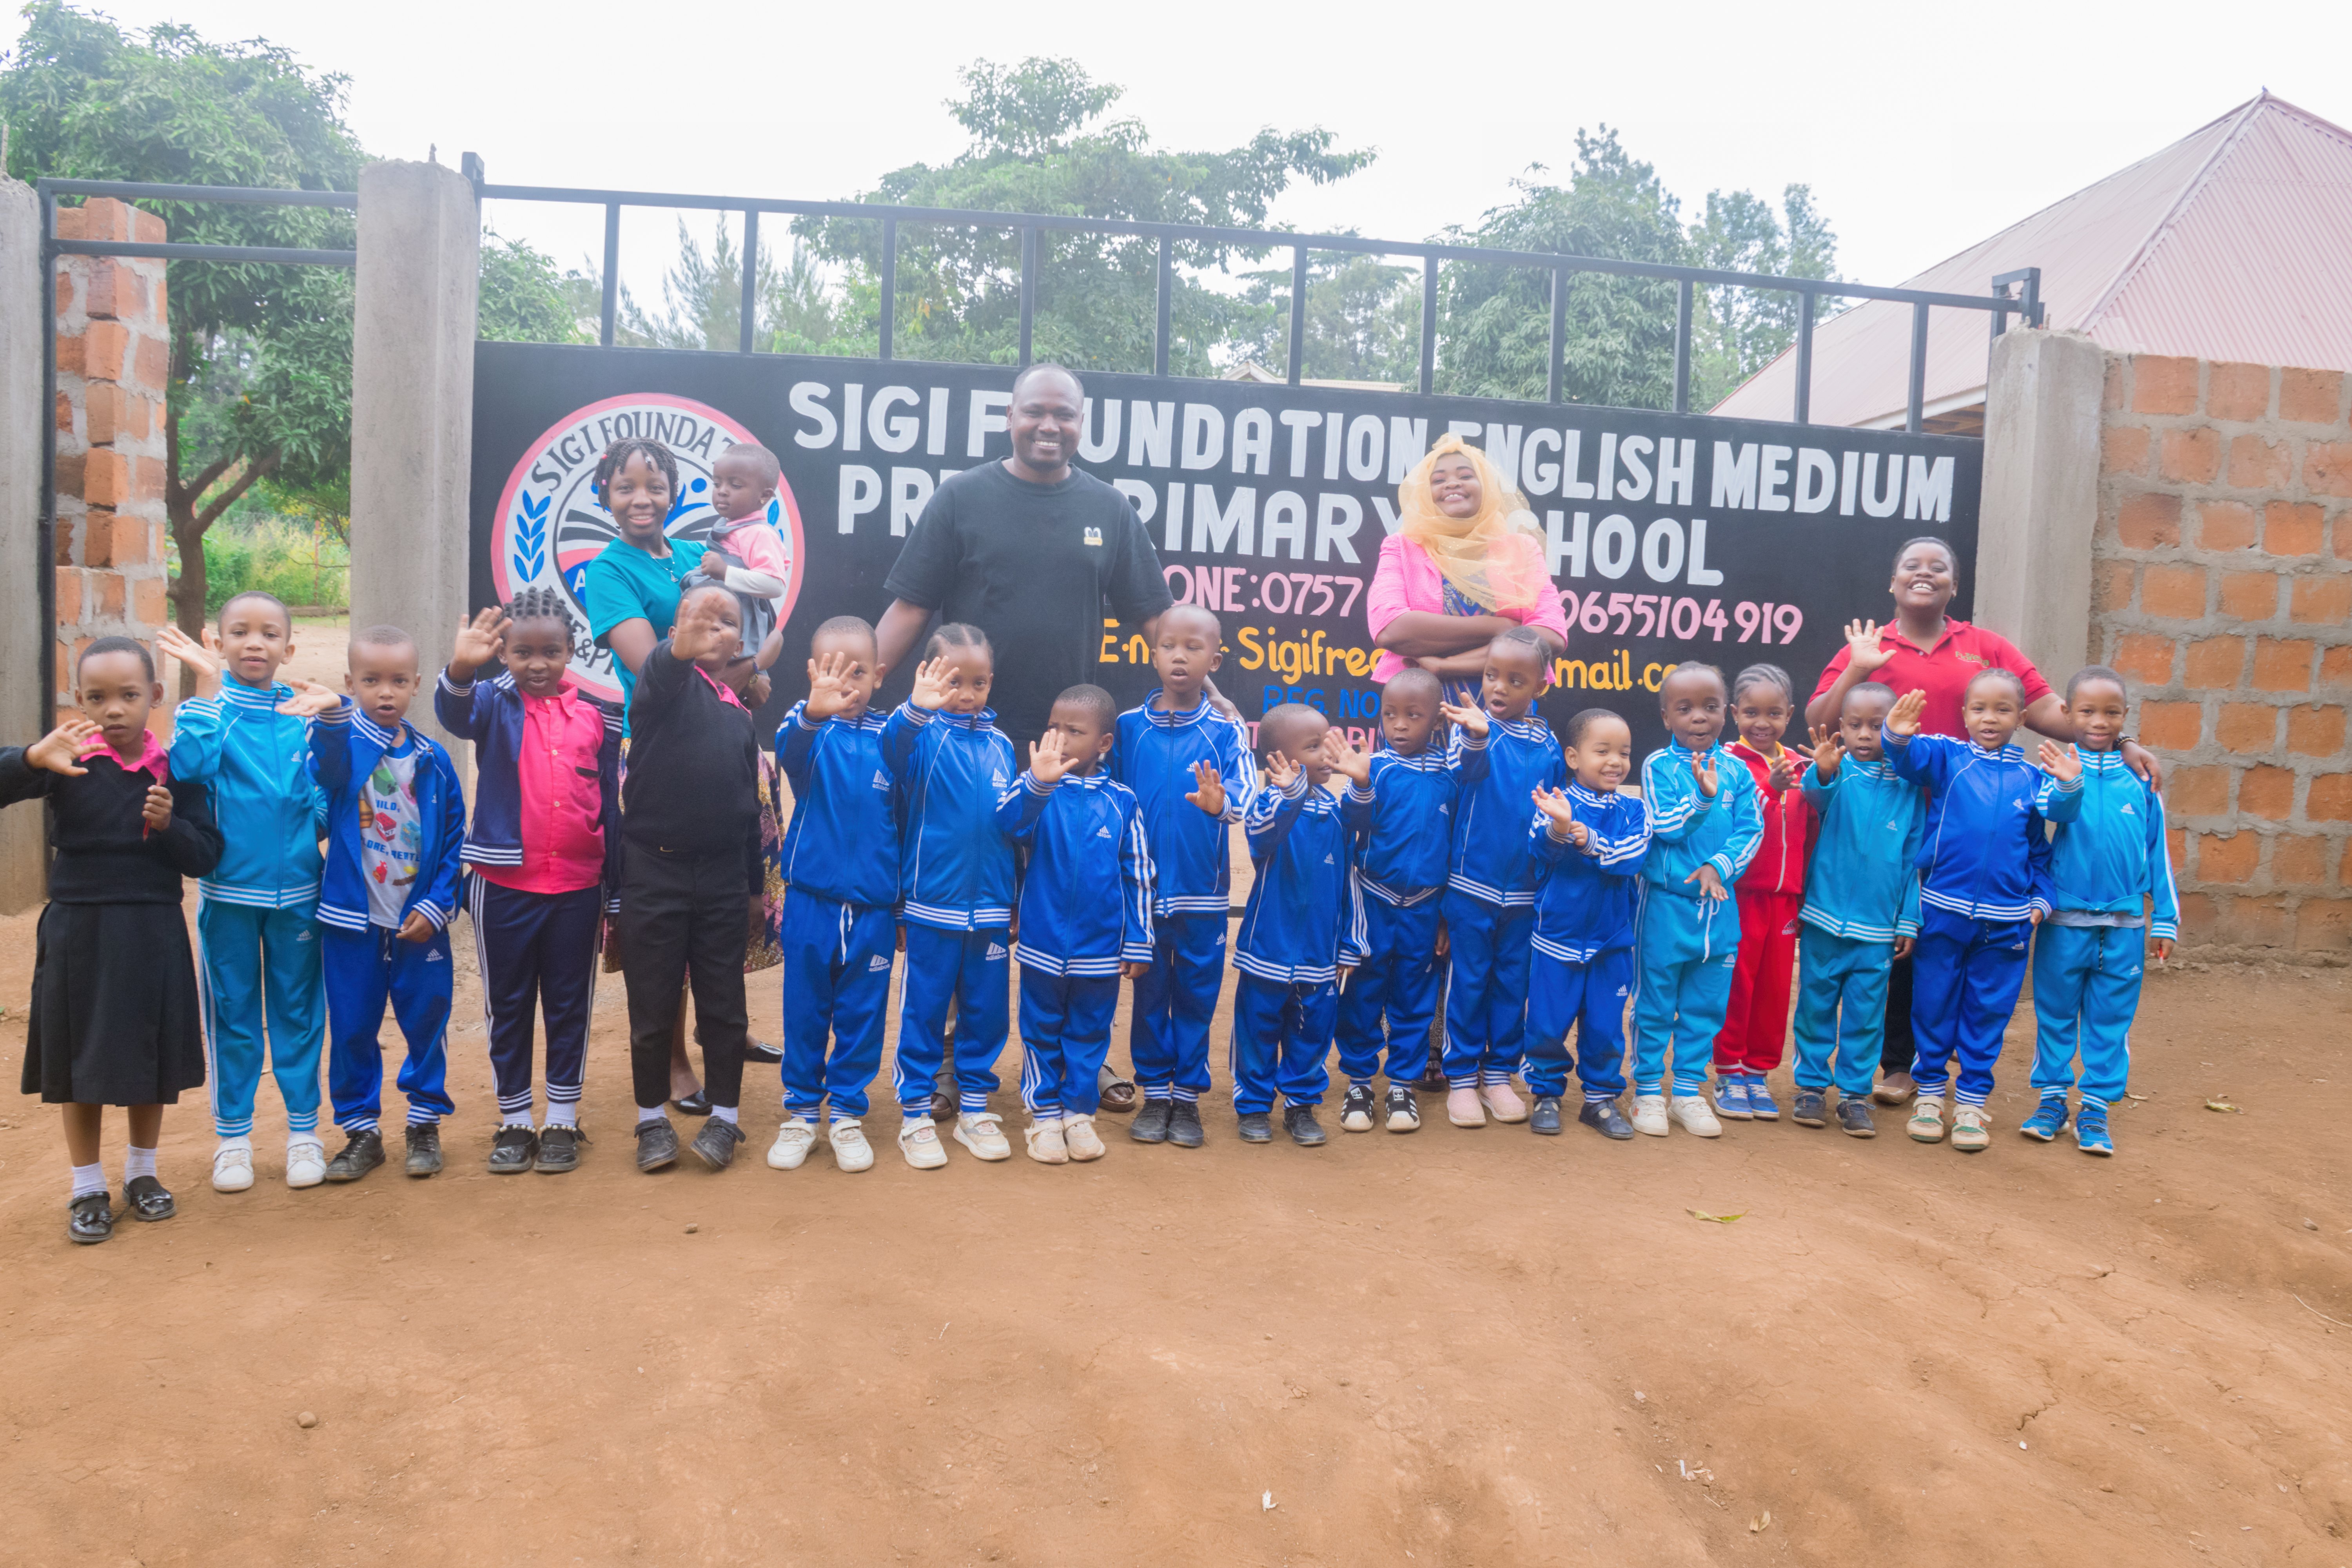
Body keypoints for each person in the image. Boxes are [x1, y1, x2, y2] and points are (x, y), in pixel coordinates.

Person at [1805, 535, 2160, 1107]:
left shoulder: (1985, 646)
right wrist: (1858, 668)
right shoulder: (1871, 645)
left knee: (1938, 947)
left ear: (1955, 583)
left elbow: (2049, 710)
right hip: (1890, 810)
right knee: (1900, 941)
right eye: (1911, 566)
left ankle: (1936, 1070)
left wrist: (2118, 742)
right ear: (1892, 582)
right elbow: (1821, 719)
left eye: (1938, 567)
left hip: (1976, 820)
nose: (1925, 573)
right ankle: (1900, 1064)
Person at [582, 437, 777, 1105]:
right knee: (663, 922)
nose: (642, 499)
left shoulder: (702, 558)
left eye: (656, 485)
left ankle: (725, 1031)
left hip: (727, 748)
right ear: (605, 495)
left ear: (674, 493)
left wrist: (753, 668)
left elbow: (741, 640)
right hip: (660, 757)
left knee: (727, 902)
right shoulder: (607, 572)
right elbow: (655, 665)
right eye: (626, 487)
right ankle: (669, 1060)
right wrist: (746, 667)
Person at [7, 639, 221, 1243]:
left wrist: (168, 825)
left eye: (129, 696)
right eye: (97, 697)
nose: (114, 710)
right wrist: (30, 757)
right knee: (81, 1062)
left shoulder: (178, 772)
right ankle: (86, 1187)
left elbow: (206, 855)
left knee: (144, 1054)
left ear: (155, 697)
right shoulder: (66, 760)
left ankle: (143, 1174)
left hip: (151, 929)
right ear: (79, 700)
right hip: (80, 930)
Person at [436, 592, 623, 1176]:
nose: (536, 663)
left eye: (550, 651)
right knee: (508, 1003)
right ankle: (516, 1119)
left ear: (572, 651)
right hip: (504, 887)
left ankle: (563, 1119)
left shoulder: (598, 716)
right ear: (505, 654)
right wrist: (464, 667)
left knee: (570, 1004)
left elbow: (610, 811)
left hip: (577, 888)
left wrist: (613, 890)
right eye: (521, 652)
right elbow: (453, 712)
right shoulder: (490, 702)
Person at [279, 628, 466, 1182]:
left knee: (427, 1020)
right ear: (350, 684)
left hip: (417, 924)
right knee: (354, 1025)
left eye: (398, 682)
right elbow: (328, 766)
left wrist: (437, 906)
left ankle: (425, 1123)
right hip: (352, 923)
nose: (385, 693)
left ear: (414, 685)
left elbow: (455, 837)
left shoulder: (433, 759)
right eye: (371, 681)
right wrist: (333, 716)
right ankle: (361, 1131)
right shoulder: (341, 743)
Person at [158, 595, 330, 1193]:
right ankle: (233, 1140)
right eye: (240, 632)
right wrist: (205, 688)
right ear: (217, 641)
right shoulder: (204, 711)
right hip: (228, 895)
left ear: (290, 646)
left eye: (268, 633)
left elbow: (329, 791)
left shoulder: (304, 713)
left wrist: (316, 818)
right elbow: (189, 769)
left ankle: (304, 1132)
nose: (254, 643)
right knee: (232, 1014)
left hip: (301, 897)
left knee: (299, 1013)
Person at [1880, 673, 2083, 1152]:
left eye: (2002, 710)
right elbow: (1908, 758)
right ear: (1965, 714)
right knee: (1932, 1003)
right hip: (1942, 914)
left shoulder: (2032, 778)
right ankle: (1929, 1094)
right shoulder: (1948, 757)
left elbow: (2047, 839)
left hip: (2007, 921)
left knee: (1988, 1010)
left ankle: (1971, 1100)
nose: (1989, 719)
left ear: (2022, 718)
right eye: (1979, 709)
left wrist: (2040, 900)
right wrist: (1897, 733)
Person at [619, 584, 762, 1174]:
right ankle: (651, 1119)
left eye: (728, 621)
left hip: (725, 878)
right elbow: (659, 670)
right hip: (655, 870)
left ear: (739, 643)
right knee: (652, 1004)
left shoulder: (739, 714)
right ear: (676, 631)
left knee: (725, 1006)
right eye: (702, 618)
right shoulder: (662, 691)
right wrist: (675, 648)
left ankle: (725, 1120)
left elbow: (749, 810)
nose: (715, 628)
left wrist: (754, 889)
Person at [1112, 605, 1257, 1147]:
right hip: (1145, 895)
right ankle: (1155, 1093)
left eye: (1194, 648)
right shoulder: (1128, 729)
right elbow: (1111, 801)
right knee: (1150, 994)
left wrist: (1221, 806)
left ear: (1214, 660)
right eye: (1169, 645)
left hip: (1202, 894)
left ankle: (1188, 1099)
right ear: (1153, 655)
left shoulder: (1225, 730)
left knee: (1197, 994)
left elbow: (1245, 798)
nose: (1180, 655)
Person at [996, 685, 1156, 1165]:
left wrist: (1141, 940)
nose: (1060, 738)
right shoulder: (1037, 787)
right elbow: (1006, 824)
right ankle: (1044, 1116)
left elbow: (1140, 875)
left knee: (1089, 1032)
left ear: (1104, 743)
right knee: (1041, 1029)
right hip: (1042, 945)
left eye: (1075, 731)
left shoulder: (1123, 802)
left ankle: (1078, 1113)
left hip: (1101, 951)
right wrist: (1037, 785)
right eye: (1054, 727)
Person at [2022, 666, 2178, 1158]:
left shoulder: (2142, 781)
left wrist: (2166, 919)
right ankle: (2051, 1101)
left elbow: (2159, 855)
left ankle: (2095, 1108)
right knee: (2055, 1013)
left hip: (2125, 925)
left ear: (2125, 718)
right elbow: (2055, 814)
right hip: (2065, 922)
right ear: (2067, 715)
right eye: (2087, 711)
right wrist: (2070, 782)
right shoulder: (2053, 768)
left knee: (2111, 1019)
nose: (2099, 721)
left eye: (2111, 713)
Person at [883, 626, 1020, 1169]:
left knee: (986, 1013)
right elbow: (891, 751)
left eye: (979, 682)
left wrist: (1012, 902)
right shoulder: (920, 736)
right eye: (955, 681)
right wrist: (917, 708)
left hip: (989, 910)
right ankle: (915, 1115)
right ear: (929, 675)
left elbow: (1012, 829)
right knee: (924, 1012)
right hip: (930, 909)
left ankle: (976, 1111)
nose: (967, 693)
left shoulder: (1003, 745)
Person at [768, 617, 897, 1176]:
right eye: (831, 672)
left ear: (881, 674)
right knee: (804, 1012)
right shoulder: (805, 729)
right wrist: (815, 710)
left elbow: (911, 820)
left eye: (859, 672)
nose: (846, 684)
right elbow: (789, 750)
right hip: (811, 904)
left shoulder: (896, 738)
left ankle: (846, 1114)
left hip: (873, 910)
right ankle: (800, 1114)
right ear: (811, 673)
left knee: (862, 1015)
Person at [1436, 628, 1564, 1128]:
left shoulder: (1550, 743)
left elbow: (1552, 809)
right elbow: (1463, 771)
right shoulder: (1471, 727)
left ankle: (1499, 1075)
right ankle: (1463, 1079)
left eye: (1516, 679)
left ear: (1540, 686)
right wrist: (1476, 735)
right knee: (1469, 982)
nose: (1499, 688)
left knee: (1513, 984)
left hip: (1526, 894)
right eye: (1492, 675)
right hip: (1471, 889)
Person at [1631, 663, 1764, 1140]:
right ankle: (1648, 1091)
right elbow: (1665, 826)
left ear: (1725, 713)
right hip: (1666, 908)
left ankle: (1688, 1091)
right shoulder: (1656, 766)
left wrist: (1719, 867)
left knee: (1706, 1005)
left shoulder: (1739, 771)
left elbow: (1753, 830)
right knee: (1655, 1002)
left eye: (1710, 707)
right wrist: (1703, 802)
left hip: (1720, 907)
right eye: (1684, 709)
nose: (1699, 718)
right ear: (1666, 716)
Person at [1788, 684, 1922, 1138]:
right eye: (1854, 724)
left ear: (1895, 728)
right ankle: (1809, 1086)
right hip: (1824, 918)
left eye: (1876, 725)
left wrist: (1908, 919)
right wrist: (1822, 772)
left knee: (1867, 1014)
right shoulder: (1836, 773)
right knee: (1814, 1006)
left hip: (1878, 929)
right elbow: (1816, 796)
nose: (1865, 734)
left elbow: (1913, 861)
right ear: (1840, 727)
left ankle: (1854, 1094)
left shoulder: (1909, 787)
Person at [1230, 705, 1367, 1148]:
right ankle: (1253, 1105)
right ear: (1279, 759)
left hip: (1319, 957)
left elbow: (1351, 879)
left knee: (1311, 1034)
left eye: (1328, 742)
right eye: (1314, 747)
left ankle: (1301, 1106)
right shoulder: (1267, 806)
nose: (1327, 753)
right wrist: (1288, 793)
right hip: (1266, 951)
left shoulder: (1335, 812)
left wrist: (1350, 942)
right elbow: (1261, 834)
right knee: (1257, 1031)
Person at [1330, 667, 1454, 1134]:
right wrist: (1360, 784)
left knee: (1415, 997)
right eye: (1390, 715)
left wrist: (1446, 911)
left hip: (1426, 906)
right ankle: (1360, 1081)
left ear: (1436, 723)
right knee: (1363, 992)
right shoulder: (1375, 767)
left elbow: (1458, 845)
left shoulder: (1451, 775)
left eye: (1413, 715)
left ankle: (1402, 1082)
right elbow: (1351, 823)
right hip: (1373, 900)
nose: (1398, 725)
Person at [1366, 433, 1569, 705]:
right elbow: (1392, 631)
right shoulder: (1401, 547)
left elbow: (1551, 636)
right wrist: (1504, 627)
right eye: (1438, 480)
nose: (1452, 483)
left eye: (1465, 476)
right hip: (1419, 717)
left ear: (1488, 487)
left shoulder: (1522, 549)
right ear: (1425, 495)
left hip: (1505, 716)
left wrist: (1446, 666)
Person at [1524, 708, 1649, 1140]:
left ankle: (1599, 1099)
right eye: (1603, 751)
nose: (1616, 761)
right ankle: (1545, 1094)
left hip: (1612, 944)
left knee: (1605, 1025)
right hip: (1556, 939)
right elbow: (1542, 851)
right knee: (1546, 1022)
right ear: (1574, 757)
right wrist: (1561, 827)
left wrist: (1592, 840)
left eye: (1624, 753)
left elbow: (1634, 855)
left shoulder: (1634, 810)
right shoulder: (1554, 802)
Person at [1710, 664, 1811, 1123]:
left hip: (1786, 899)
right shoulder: (1727, 763)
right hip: (1742, 895)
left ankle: (1758, 1072)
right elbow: (1729, 824)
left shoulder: (1804, 767)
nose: (1762, 722)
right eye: (1751, 712)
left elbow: (1811, 836)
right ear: (1734, 713)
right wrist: (1769, 789)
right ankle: (1729, 1070)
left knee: (1774, 989)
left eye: (1774, 713)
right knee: (1738, 984)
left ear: (1789, 715)